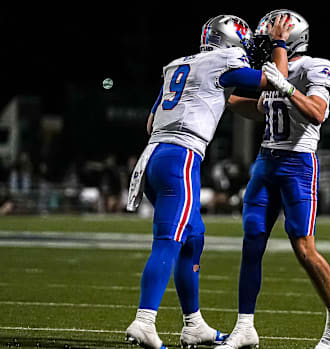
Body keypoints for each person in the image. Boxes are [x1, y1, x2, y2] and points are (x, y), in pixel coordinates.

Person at [124, 14, 293, 349]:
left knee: (193, 238)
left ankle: (193, 325)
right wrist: (279, 45)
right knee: (168, 241)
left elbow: (151, 121)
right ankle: (144, 320)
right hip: (181, 158)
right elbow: (277, 81)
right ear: (230, 40)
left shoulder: (179, 64)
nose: (246, 50)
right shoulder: (223, 60)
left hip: (154, 155)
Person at [217, 9, 330, 349]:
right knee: (251, 244)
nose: (264, 47)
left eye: (272, 41)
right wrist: (221, 97)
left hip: (297, 165)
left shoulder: (315, 66)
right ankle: (245, 327)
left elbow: (317, 113)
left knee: (304, 249)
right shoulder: (275, 71)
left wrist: (286, 86)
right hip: (265, 161)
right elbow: (260, 107)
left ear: (289, 40)